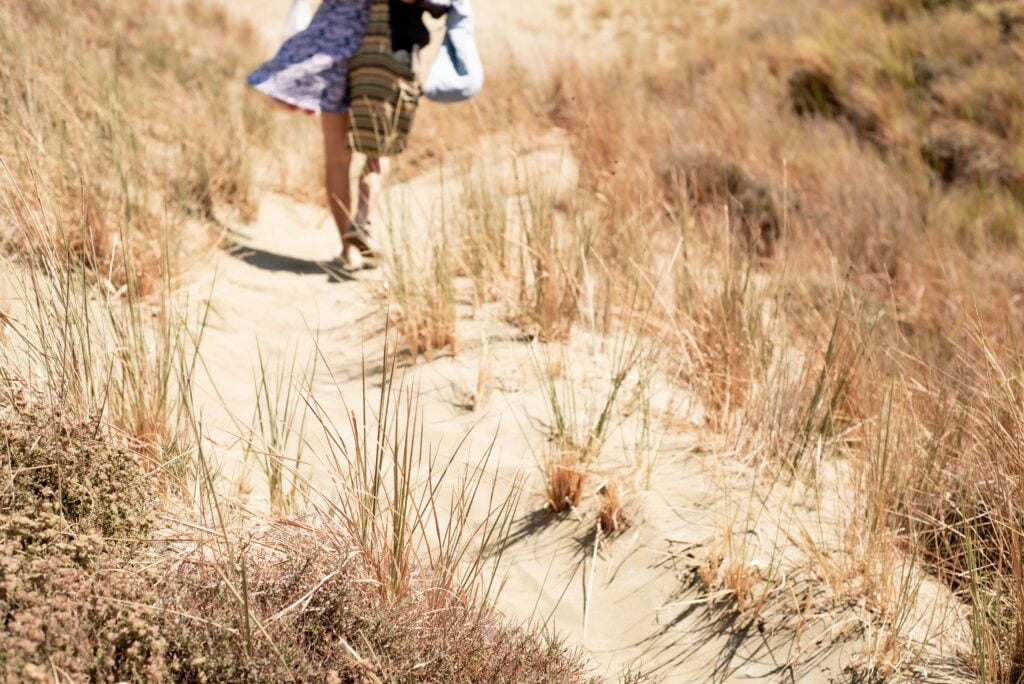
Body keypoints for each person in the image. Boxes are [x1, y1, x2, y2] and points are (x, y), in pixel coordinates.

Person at [247, 0, 451, 270]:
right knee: (378, 153)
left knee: (337, 157)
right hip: (383, 54)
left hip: (332, 48)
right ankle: (360, 225)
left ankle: (349, 249)